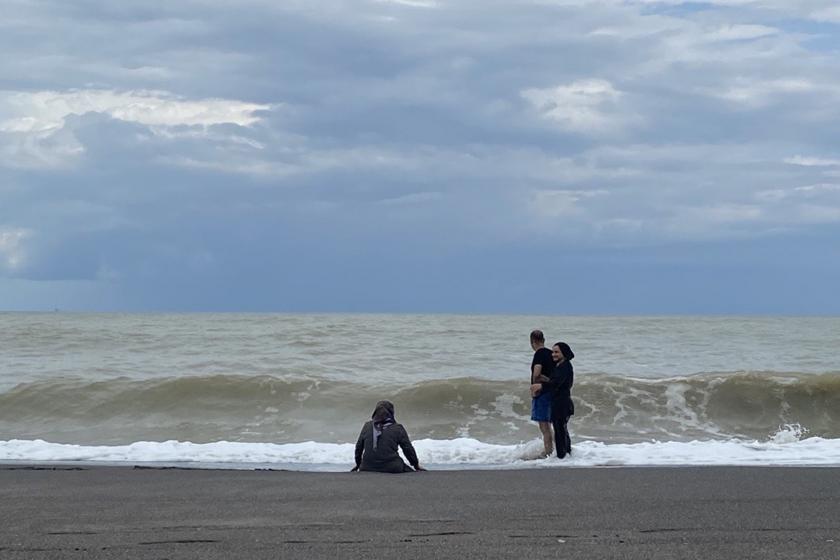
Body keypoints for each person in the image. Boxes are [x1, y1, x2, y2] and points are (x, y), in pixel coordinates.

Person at [352, 400, 426, 473]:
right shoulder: (398, 428)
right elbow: (408, 449)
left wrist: (358, 465)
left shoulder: (367, 426)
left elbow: (359, 447)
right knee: (412, 473)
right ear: (391, 412)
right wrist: (415, 465)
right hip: (392, 467)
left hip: (367, 467)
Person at [532, 342, 575, 458]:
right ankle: (567, 455)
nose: (553, 355)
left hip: (562, 403)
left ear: (564, 353)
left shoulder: (565, 366)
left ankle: (562, 457)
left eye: (556, 352)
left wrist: (540, 386)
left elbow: (556, 383)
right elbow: (555, 382)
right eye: (553, 352)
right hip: (559, 402)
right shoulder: (560, 366)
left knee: (560, 431)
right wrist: (545, 380)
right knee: (561, 430)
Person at [529, 329, 555, 458]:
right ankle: (560, 450)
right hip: (554, 392)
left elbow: (537, 374)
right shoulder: (552, 354)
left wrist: (535, 387)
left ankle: (548, 452)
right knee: (553, 424)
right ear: (543, 340)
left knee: (544, 427)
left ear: (532, 342)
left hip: (543, 393)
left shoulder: (538, 354)